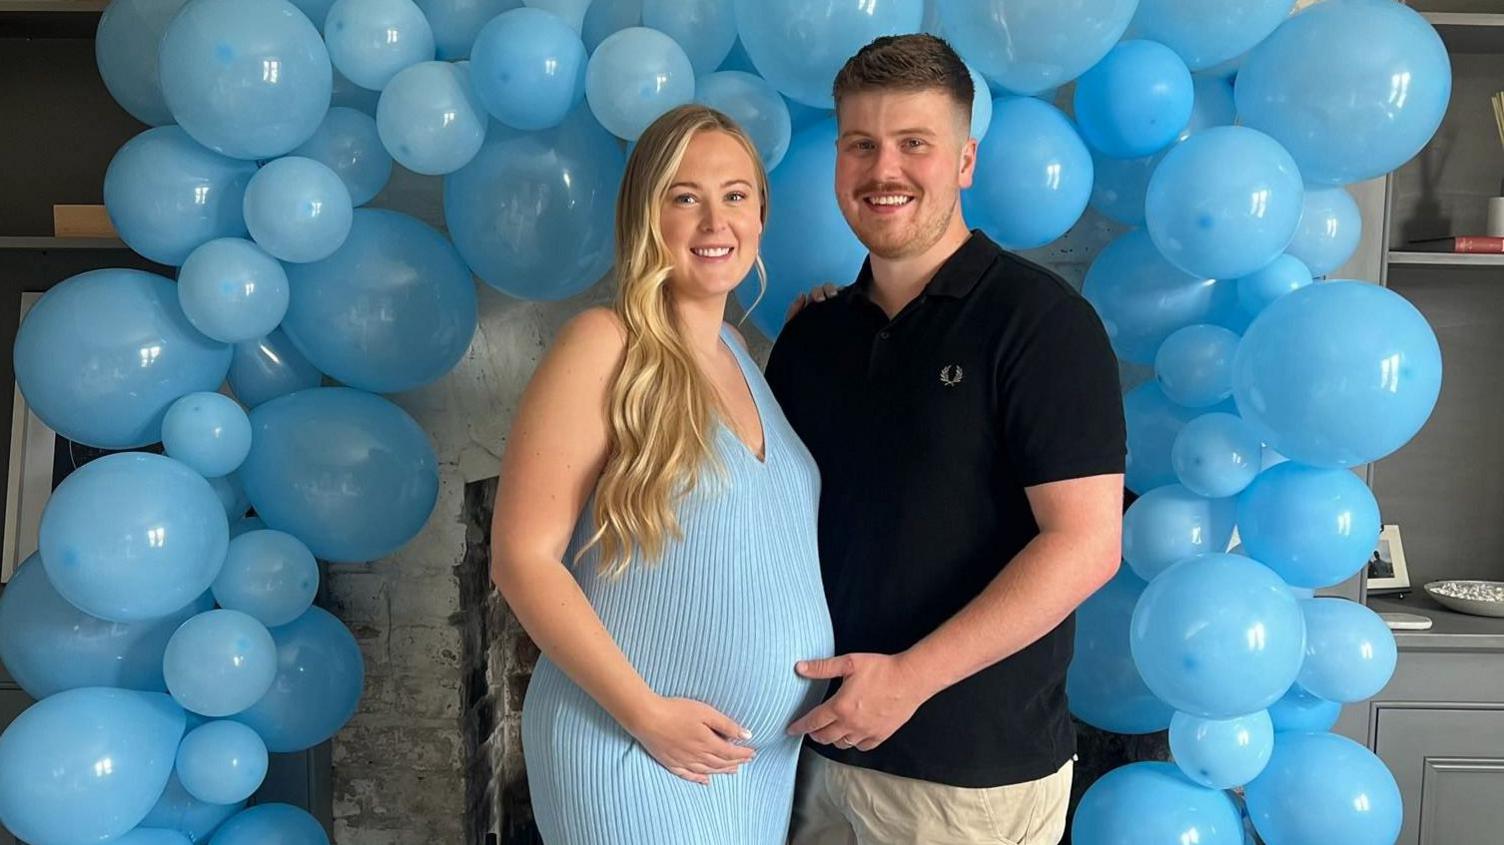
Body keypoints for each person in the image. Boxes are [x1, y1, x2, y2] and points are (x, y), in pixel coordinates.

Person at [767, 35, 1127, 845]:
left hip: (967, 777)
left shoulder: (1040, 324)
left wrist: (907, 681)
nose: (883, 169)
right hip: (804, 754)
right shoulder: (812, 336)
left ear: (964, 161)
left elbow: (1087, 544)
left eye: (914, 145)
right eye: (861, 144)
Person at [490, 105, 834, 844]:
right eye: (685, 196)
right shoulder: (602, 344)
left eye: (735, 195)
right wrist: (647, 713)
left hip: (750, 763)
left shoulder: (742, 359)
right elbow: (522, 558)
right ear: (646, 216)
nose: (715, 220)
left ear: (762, 217)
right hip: (630, 744)